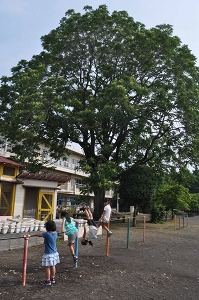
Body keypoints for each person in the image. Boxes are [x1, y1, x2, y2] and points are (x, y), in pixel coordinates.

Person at [37, 220, 60, 286]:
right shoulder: (55, 233)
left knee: (47, 267)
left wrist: (42, 230)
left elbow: (38, 234)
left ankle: (48, 280)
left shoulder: (47, 234)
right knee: (53, 265)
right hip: (54, 252)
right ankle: (52, 278)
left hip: (48, 253)